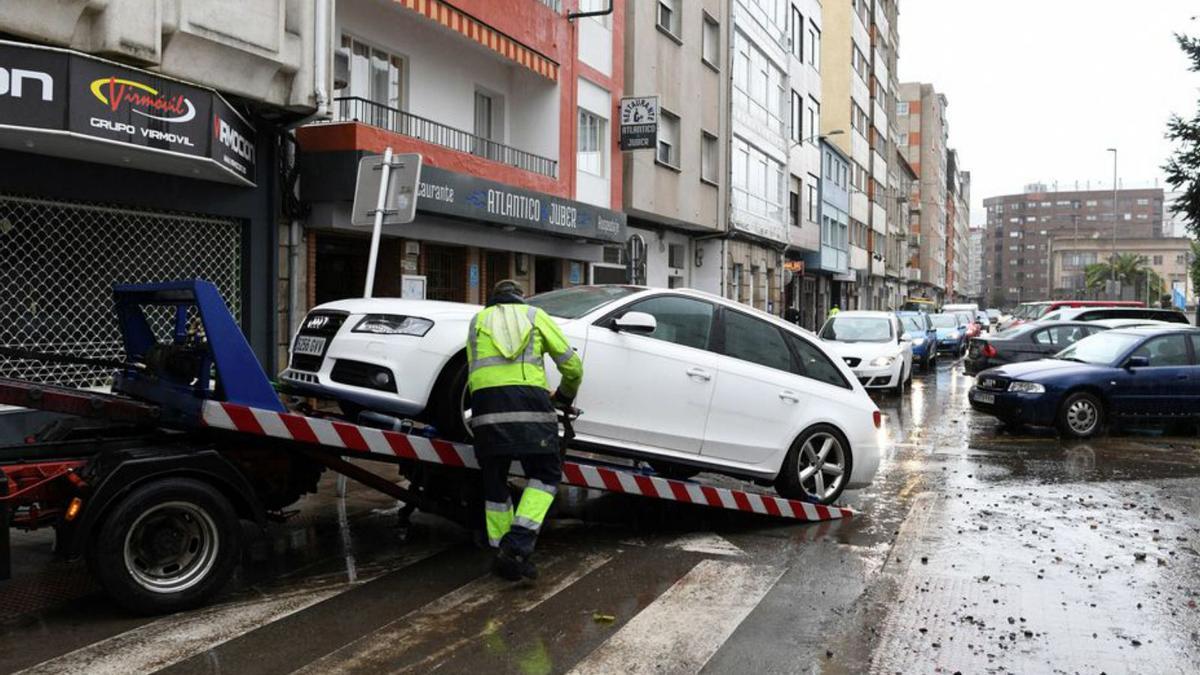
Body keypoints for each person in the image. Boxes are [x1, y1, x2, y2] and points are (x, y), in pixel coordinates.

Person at [467, 279, 583, 581]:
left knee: (494, 480)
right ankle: (517, 544)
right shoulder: (535, 316)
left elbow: (474, 368)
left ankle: (502, 552)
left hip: (485, 411)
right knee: (545, 474)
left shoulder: (477, 321)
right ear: (521, 298)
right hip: (531, 409)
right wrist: (564, 397)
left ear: (494, 299)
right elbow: (573, 367)